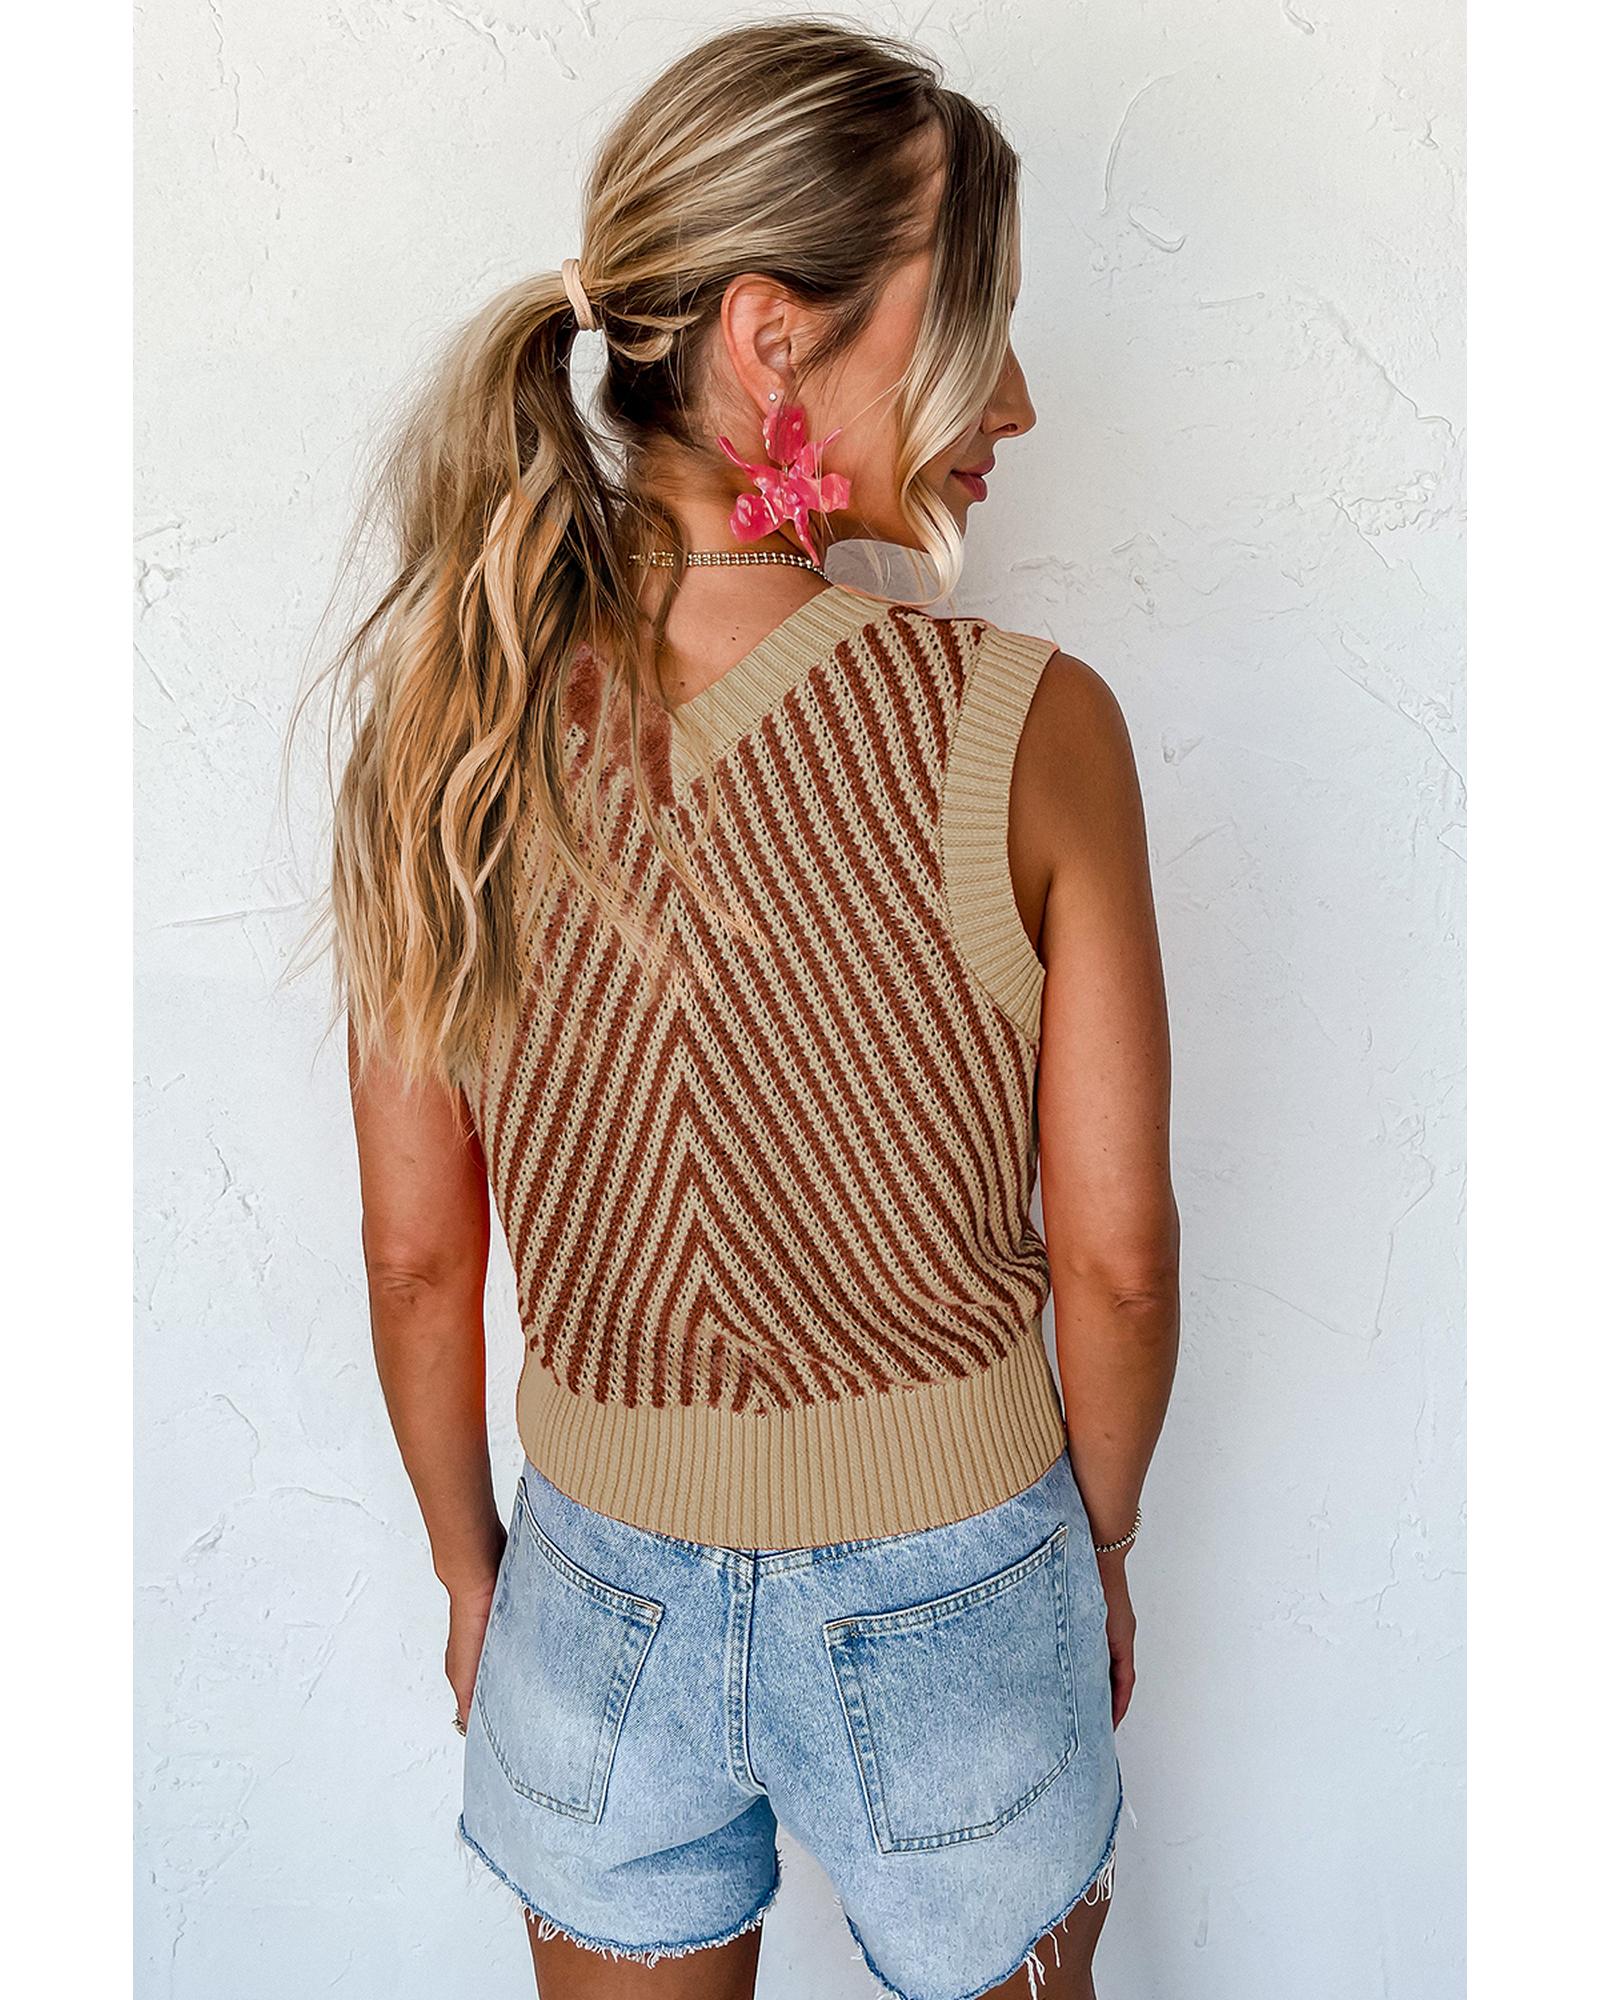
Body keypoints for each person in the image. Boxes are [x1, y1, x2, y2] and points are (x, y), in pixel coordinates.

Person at [313, 18, 1180, 2000]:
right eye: (973, 327)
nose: (1017, 398)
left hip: (592, 1581)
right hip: (964, 1577)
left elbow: (415, 1252)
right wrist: (1098, 1548)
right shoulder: (1030, 727)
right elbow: (1117, 1263)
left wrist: (469, 1565)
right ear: (771, 338)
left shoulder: (448, 733)